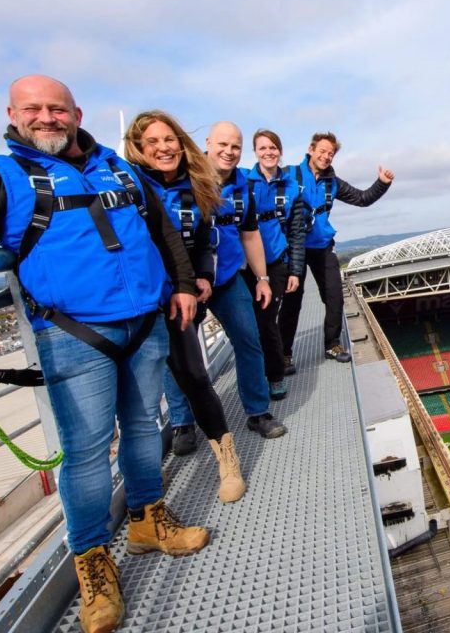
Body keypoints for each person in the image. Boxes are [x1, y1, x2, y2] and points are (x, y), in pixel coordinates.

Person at [0, 75, 207, 633]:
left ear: (77, 112)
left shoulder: (119, 169)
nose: (46, 117)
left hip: (146, 323)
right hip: (73, 335)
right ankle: (93, 561)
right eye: (34, 109)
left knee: (146, 428)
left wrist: (183, 284)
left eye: (57, 108)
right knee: (87, 453)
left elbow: (163, 230)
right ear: (12, 113)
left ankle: (149, 520)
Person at [124, 112, 285, 458]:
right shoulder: (177, 181)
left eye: (236, 147)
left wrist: (261, 278)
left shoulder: (243, 188)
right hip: (173, 286)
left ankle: (258, 412)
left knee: (249, 340)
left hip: (223, 277)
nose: (229, 151)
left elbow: (249, 233)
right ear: (207, 144)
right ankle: (183, 423)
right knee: (178, 355)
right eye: (223, 144)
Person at [277, 132, 394, 369]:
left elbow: (362, 198)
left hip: (322, 246)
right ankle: (283, 354)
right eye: (322, 151)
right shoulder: (290, 174)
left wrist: (382, 183)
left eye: (330, 153)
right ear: (311, 150)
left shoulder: (332, 182)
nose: (326, 156)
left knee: (335, 297)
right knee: (292, 302)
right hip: (295, 247)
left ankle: (332, 344)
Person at [244, 128, 310, 395]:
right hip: (245, 264)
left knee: (267, 320)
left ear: (280, 151)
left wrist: (295, 270)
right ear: (255, 152)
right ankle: (257, 374)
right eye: (263, 148)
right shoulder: (244, 183)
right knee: (251, 324)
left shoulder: (292, 187)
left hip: (276, 262)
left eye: (273, 148)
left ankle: (273, 375)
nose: (268, 152)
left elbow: (296, 232)